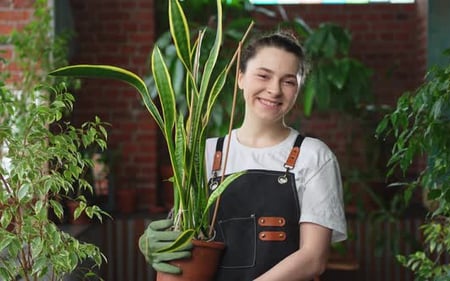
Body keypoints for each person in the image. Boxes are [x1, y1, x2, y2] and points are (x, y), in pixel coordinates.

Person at [139, 30, 347, 281]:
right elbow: (183, 233)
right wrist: (152, 244)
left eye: (288, 81)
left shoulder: (313, 156)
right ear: (240, 78)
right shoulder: (204, 153)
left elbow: (313, 258)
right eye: (263, 75)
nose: (274, 90)